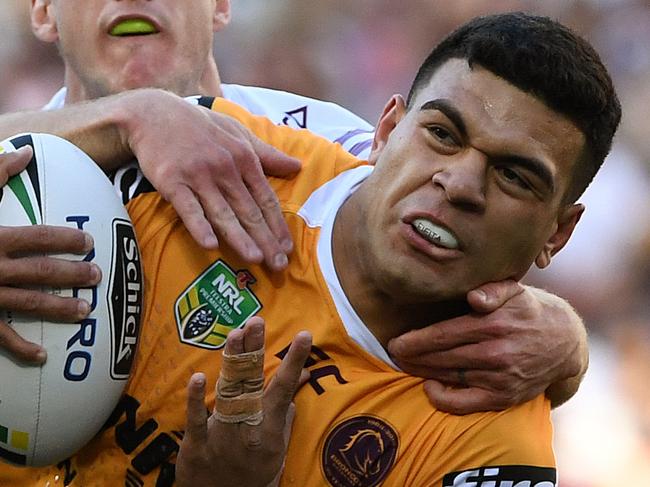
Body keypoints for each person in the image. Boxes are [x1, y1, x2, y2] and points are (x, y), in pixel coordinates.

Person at [2, 12, 621, 486]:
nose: (459, 185)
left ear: (558, 234)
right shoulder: (211, 158)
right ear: (383, 131)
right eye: (441, 134)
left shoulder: (493, 451)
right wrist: (130, 119)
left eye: (515, 175)